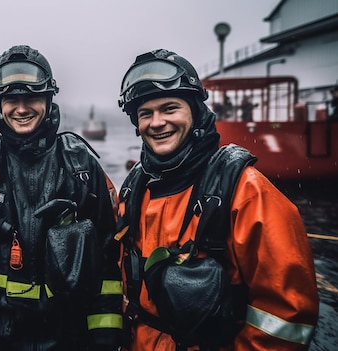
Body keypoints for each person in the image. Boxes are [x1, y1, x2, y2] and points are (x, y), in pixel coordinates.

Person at [115, 49, 319, 350]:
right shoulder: (135, 187)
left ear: (195, 112)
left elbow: (286, 319)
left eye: (170, 108)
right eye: (146, 113)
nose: (157, 122)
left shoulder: (245, 191)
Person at [0, 44, 123, 350]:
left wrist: (104, 335)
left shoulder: (83, 169)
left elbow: (107, 260)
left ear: (48, 101)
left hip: (69, 340)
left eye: (32, 98)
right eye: (11, 99)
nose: (22, 109)